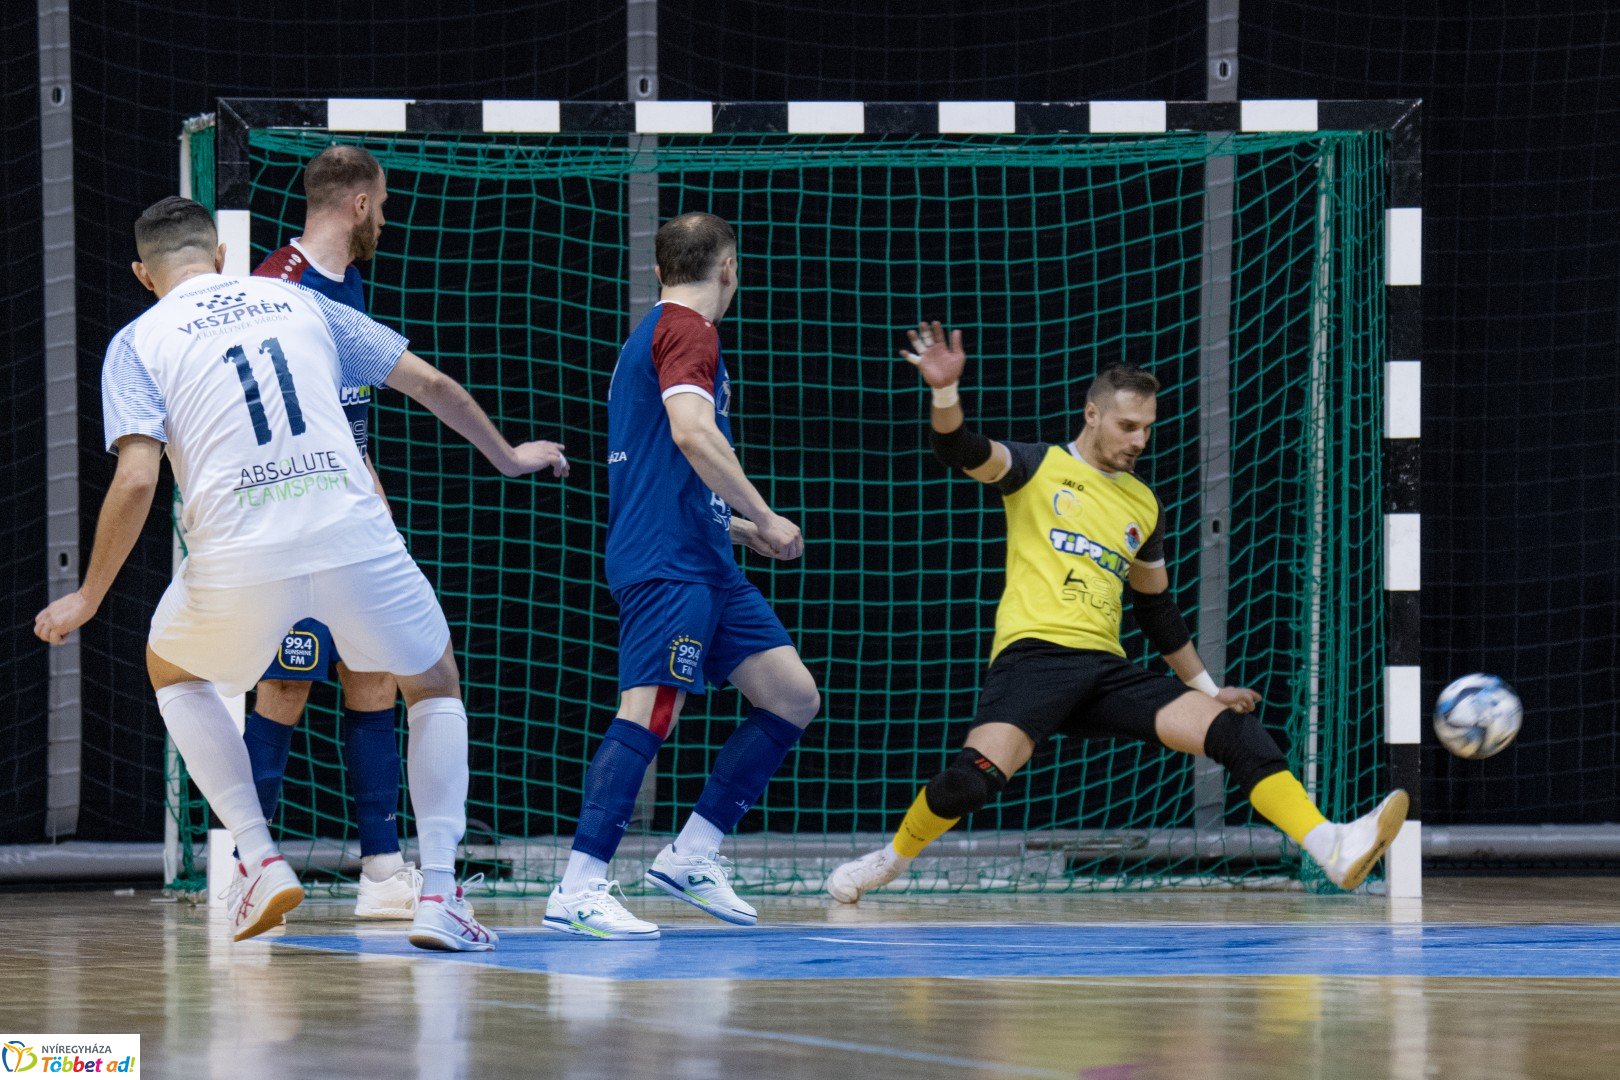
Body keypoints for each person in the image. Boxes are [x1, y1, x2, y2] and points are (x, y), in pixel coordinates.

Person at [34, 196, 569, 949]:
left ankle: (257, 855)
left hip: (240, 551)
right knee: (433, 680)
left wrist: (90, 596)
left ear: (142, 275)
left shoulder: (137, 340)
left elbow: (136, 480)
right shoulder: (298, 300)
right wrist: (510, 456)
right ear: (221, 254)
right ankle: (440, 893)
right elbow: (430, 384)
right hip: (352, 531)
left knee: (173, 668)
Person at [826, 322, 1408, 902]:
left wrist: (1207, 688)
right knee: (971, 781)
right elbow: (960, 449)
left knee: (1235, 730)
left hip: (1105, 669)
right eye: (1128, 426)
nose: (1139, 440)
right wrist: (945, 392)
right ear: (1092, 414)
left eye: (1148, 429)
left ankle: (1330, 845)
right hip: (1035, 658)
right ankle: (889, 860)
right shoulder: (1037, 468)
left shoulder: (1142, 502)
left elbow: (1155, 607)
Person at [543, 212, 819, 940]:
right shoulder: (687, 332)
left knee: (791, 696)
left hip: (705, 554)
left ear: (661, 267)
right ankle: (579, 884)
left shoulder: (657, 336)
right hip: (667, 563)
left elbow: (668, 471)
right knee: (652, 710)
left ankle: (693, 851)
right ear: (728, 268)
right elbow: (693, 435)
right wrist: (765, 514)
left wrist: (734, 529)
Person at [240, 145, 416, 920]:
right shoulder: (273, 285)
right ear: (356, 203)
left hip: (353, 520)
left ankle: (382, 873)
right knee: (285, 684)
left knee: (376, 677)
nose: (387, 215)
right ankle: (248, 864)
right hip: (291, 527)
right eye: (382, 202)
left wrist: (375, 501)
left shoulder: (352, 285)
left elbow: (351, 421)